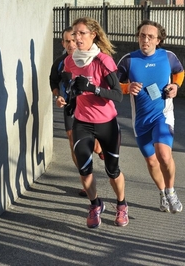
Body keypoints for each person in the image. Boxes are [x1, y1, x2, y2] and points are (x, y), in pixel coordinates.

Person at [63, 17, 128, 228]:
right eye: (75, 34)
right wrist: (72, 98)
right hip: (82, 122)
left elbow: (118, 95)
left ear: (94, 35)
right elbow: (69, 82)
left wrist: (93, 89)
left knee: (112, 170)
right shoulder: (70, 60)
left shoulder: (103, 60)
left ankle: (121, 205)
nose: (77, 37)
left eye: (82, 33)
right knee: (83, 167)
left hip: (106, 123)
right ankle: (95, 204)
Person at [117, 19, 185, 214]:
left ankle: (171, 191)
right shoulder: (129, 60)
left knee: (164, 154)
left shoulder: (168, 57)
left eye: (150, 37)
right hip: (140, 121)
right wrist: (126, 87)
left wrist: (176, 86)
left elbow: (179, 72)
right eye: (142, 36)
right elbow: (112, 84)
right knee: (152, 161)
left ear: (158, 40)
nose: (145, 40)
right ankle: (162, 193)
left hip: (162, 115)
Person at [49, 26, 104, 198]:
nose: (71, 44)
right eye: (67, 41)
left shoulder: (91, 58)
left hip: (90, 106)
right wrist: (58, 96)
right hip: (71, 106)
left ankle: (99, 147)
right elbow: (54, 83)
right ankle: (86, 178)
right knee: (74, 142)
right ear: (63, 43)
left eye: (74, 40)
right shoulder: (60, 63)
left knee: (93, 143)